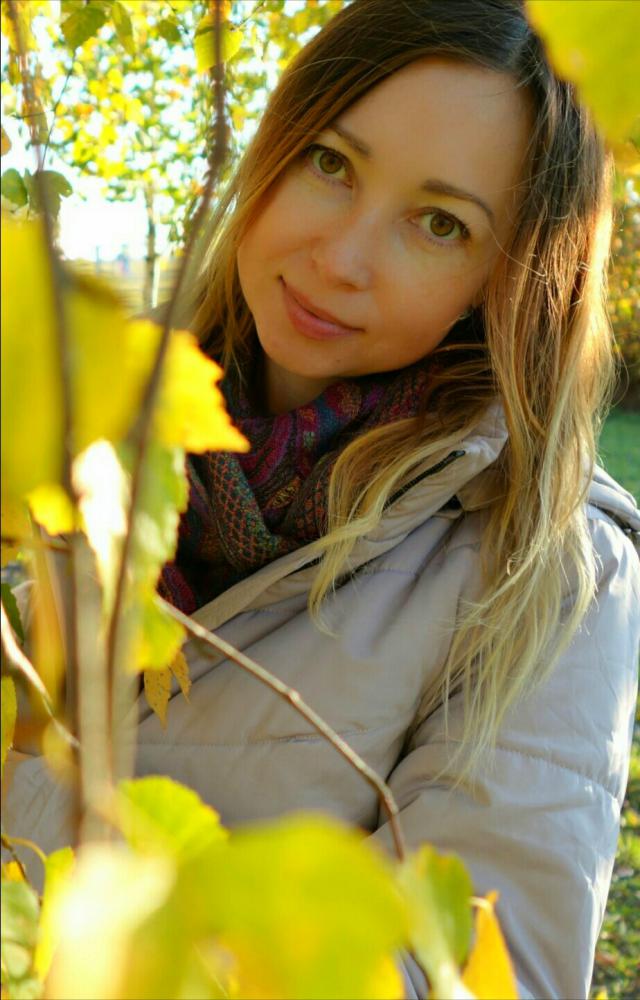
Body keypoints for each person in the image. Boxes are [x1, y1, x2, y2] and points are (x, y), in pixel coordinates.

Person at [5, 1, 639, 997]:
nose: (340, 259)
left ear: (500, 278)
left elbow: (480, 973)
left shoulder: (548, 566)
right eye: (332, 163)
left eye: (440, 223)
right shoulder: (85, 417)